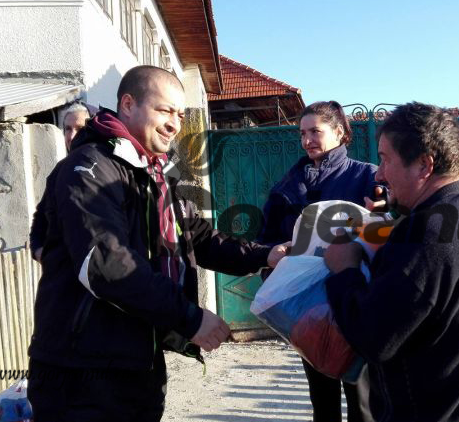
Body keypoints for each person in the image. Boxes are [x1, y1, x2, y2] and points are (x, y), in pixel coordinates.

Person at [27, 65, 289, 421]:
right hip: (82, 370)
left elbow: (197, 237)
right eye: (164, 110)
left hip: (137, 358)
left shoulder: (158, 171)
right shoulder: (90, 168)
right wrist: (190, 318)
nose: (175, 123)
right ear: (128, 104)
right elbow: (106, 264)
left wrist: (264, 255)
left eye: (180, 114)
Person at [323, 102, 459, 422]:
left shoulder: (428, 234)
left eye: (385, 160)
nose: (380, 174)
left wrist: (344, 269)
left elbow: (372, 336)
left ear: (424, 166)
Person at [258, 100, 377, 422]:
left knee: (363, 401)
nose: (307, 139)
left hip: (357, 301)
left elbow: (388, 236)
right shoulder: (287, 187)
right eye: (302, 133)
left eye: (315, 131)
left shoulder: (368, 178)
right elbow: (267, 240)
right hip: (309, 308)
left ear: (339, 133)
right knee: (322, 401)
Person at [30, 101, 92, 261]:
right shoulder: (59, 171)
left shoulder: (106, 167)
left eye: (79, 128)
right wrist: (39, 251)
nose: (71, 136)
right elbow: (40, 218)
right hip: (62, 276)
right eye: (68, 129)